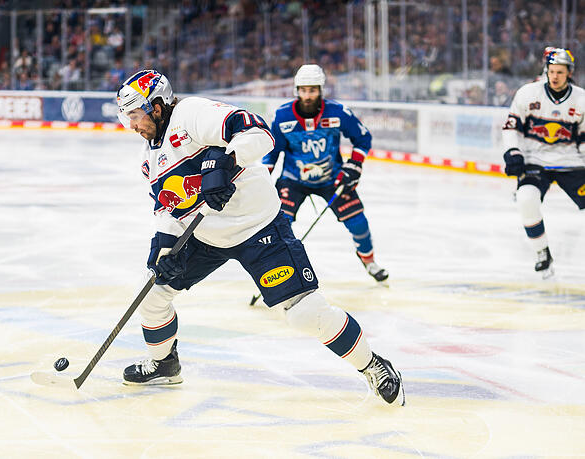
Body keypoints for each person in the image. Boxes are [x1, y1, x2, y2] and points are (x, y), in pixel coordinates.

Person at [115, 69, 405, 406]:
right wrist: (162, 249)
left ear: (158, 106)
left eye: (135, 116)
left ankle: (373, 366)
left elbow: (258, 132)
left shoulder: (191, 115)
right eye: (127, 119)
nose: (132, 126)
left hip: (259, 227)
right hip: (206, 236)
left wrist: (226, 162)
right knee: (153, 294)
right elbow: (168, 210)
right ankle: (165, 364)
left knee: (303, 312)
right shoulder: (149, 158)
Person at [262, 64, 389, 282]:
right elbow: (272, 153)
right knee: (281, 225)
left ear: (321, 90)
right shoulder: (283, 116)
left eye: (312, 90)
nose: (307, 95)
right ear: (297, 90)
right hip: (293, 179)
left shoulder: (338, 112)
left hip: (332, 178)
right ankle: (280, 270)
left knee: (358, 222)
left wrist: (354, 166)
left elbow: (363, 138)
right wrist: (263, 179)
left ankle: (369, 261)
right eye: (303, 90)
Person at [502, 47, 585, 278]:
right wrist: (513, 152)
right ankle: (542, 252)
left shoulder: (581, 99)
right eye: (551, 71)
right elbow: (511, 127)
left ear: (569, 73)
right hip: (535, 160)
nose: (555, 76)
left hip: (570, 161)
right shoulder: (528, 93)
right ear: (545, 70)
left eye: (560, 72)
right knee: (526, 199)